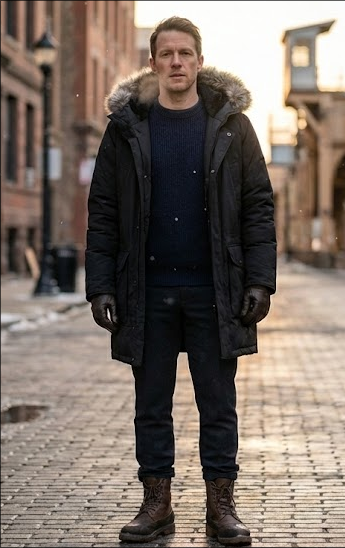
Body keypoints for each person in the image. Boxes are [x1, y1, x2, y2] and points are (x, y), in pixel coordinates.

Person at [85, 16, 276, 546]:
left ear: (198, 61)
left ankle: (221, 507)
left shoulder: (231, 125)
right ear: (153, 63)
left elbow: (259, 206)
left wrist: (260, 282)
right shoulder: (126, 127)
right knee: (152, 405)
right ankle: (157, 503)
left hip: (215, 293)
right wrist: (101, 286)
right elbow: (103, 209)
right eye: (165, 54)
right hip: (144, 293)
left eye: (184, 54)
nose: (175, 63)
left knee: (218, 404)